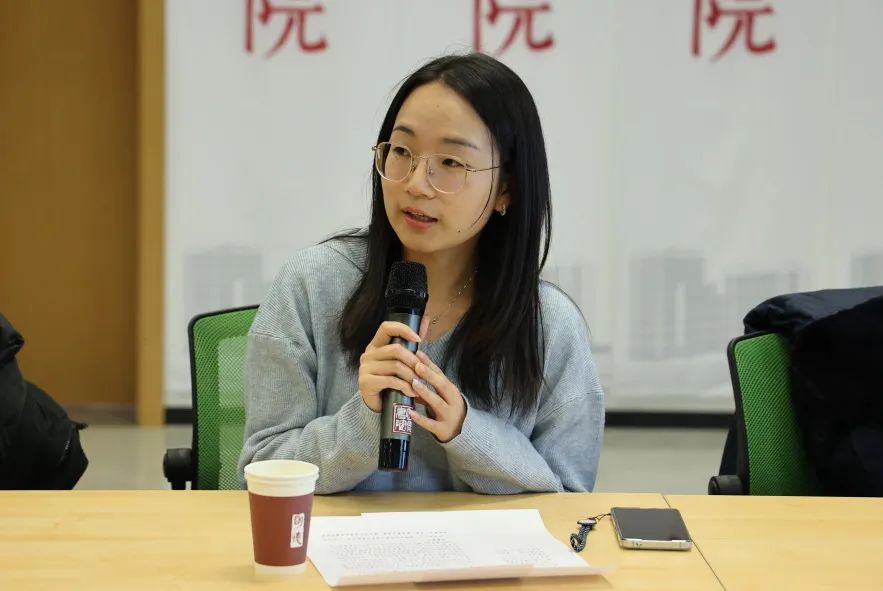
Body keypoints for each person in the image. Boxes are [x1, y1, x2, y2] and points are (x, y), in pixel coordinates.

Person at [237, 53, 604, 494]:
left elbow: (570, 498)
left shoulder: (550, 325)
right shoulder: (311, 285)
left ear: (506, 188)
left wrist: (468, 431)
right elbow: (262, 468)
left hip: (483, 544)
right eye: (402, 152)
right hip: (334, 540)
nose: (415, 183)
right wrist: (364, 420)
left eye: (450, 162)